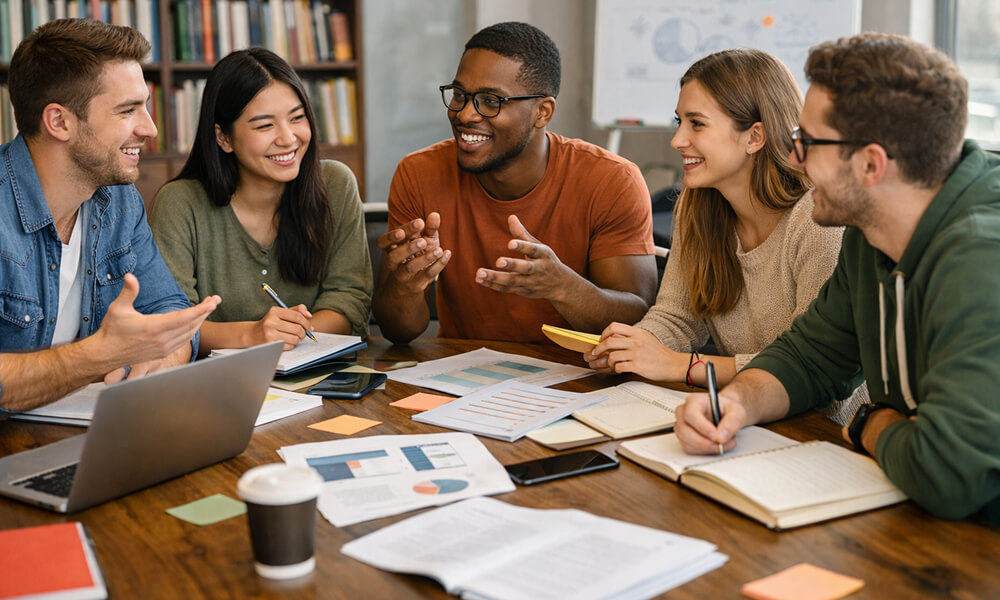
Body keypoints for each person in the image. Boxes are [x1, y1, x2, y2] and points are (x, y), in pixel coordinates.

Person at [676, 33, 1000, 523]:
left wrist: (871, 421)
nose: (792, 159)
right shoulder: (869, 230)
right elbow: (810, 358)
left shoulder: (981, 258)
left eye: (807, 143)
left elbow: (947, 473)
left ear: (871, 163)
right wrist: (736, 403)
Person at [586, 49, 867, 425]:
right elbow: (678, 318)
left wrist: (679, 365)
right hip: (746, 417)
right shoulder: (698, 203)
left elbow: (810, 370)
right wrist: (632, 347)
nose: (677, 140)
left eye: (697, 124)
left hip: (827, 430)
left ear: (754, 137)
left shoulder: (818, 220)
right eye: (679, 121)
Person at [372, 21, 657, 344]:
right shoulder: (418, 173)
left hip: (580, 379)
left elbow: (638, 319)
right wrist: (405, 286)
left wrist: (564, 287)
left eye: (491, 101)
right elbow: (398, 331)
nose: (465, 114)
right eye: (460, 95)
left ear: (542, 112)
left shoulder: (611, 180)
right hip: (461, 378)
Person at [0, 19, 219, 413]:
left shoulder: (120, 202)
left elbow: (171, 316)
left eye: (145, 107)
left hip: (92, 430)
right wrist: (99, 357)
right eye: (127, 110)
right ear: (59, 121)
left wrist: (147, 363)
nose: (150, 129)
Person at [151, 48, 371, 354]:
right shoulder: (181, 203)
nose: (288, 138)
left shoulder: (335, 184)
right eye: (265, 125)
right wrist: (253, 337)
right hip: (220, 385)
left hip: (316, 372)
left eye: (297, 117)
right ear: (223, 138)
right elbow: (171, 322)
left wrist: (287, 336)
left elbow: (349, 300)